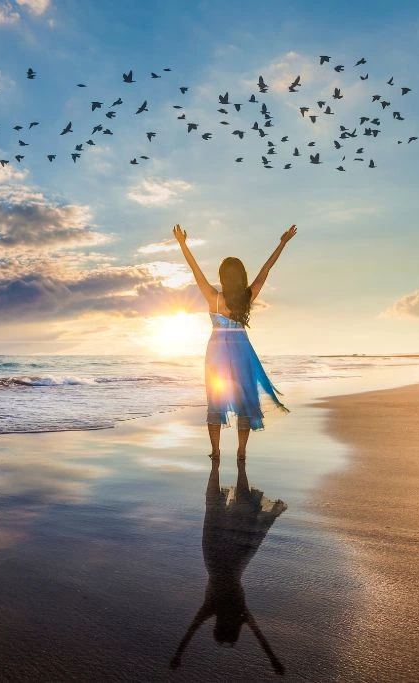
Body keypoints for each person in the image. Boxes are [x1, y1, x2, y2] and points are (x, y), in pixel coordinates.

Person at [173, 224, 296, 461]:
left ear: (222, 277)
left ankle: (216, 451)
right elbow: (266, 270)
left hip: (216, 351)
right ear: (241, 277)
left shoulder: (213, 297)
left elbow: (194, 269)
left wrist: (182, 244)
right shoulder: (247, 297)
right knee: (245, 400)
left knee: (215, 400)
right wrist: (282, 243)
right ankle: (241, 451)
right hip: (242, 350)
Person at [170, 458, 287, 675]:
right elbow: (192, 631)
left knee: (228, 512)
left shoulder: (230, 611)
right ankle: (221, 465)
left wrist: (273, 659)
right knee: (214, 509)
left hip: (230, 561)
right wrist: (178, 654)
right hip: (216, 560)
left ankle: (225, 465)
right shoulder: (219, 610)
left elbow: (260, 637)